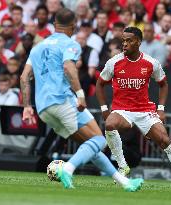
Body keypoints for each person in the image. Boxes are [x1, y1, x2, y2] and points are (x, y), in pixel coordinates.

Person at [20, 8, 143, 192]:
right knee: (100, 141)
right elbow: (69, 67)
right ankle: (67, 169)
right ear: (74, 25)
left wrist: (27, 106)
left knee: (91, 145)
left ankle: (124, 182)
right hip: (62, 100)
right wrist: (80, 94)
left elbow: (24, 77)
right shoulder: (71, 44)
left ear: (54, 25)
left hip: (44, 108)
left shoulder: (38, 47)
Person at [96, 26, 171, 190]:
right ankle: (123, 166)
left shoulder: (151, 62)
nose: (125, 44)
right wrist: (103, 109)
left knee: (165, 141)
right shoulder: (114, 62)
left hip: (144, 111)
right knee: (109, 124)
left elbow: (163, 84)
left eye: (129, 40)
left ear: (138, 42)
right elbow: (100, 84)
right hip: (122, 110)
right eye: (123, 40)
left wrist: (161, 108)